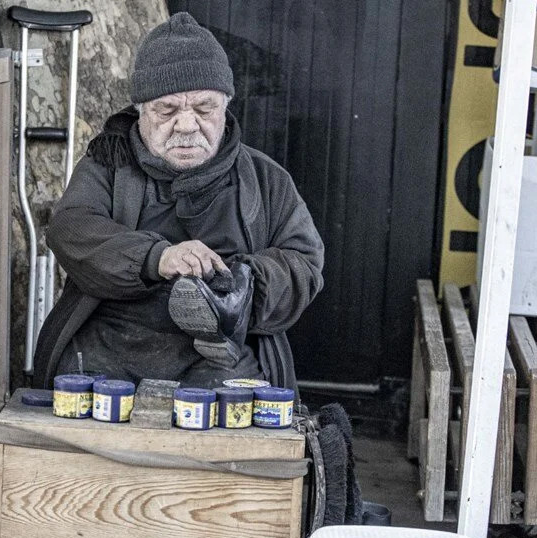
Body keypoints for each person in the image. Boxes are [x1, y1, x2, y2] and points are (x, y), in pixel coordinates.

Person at [33, 13, 325, 391]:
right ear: (141, 111)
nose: (187, 126)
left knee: (232, 403)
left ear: (226, 106)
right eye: (167, 110)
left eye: (204, 109)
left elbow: (305, 260)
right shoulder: (108, 162)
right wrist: (158, 259)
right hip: (113, 339)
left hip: (219, 352)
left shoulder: (265, 178)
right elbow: (70, 229)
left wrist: (244, 283)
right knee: (84, 397)